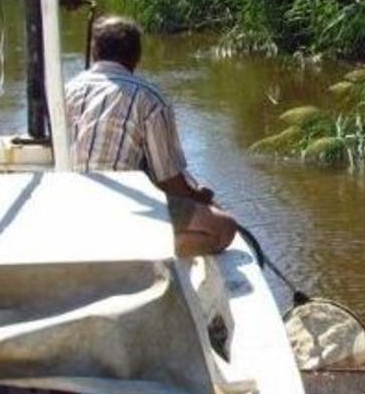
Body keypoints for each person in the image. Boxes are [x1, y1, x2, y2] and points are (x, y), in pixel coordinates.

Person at [64, 15, 237, 255]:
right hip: (123, 211)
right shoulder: (149, 98)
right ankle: (136, 248)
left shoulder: (66, 90)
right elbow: (169, 181)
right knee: (225, 227)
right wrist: (199, 197)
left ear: (94, 53)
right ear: (137, 56)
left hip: (70, 205)